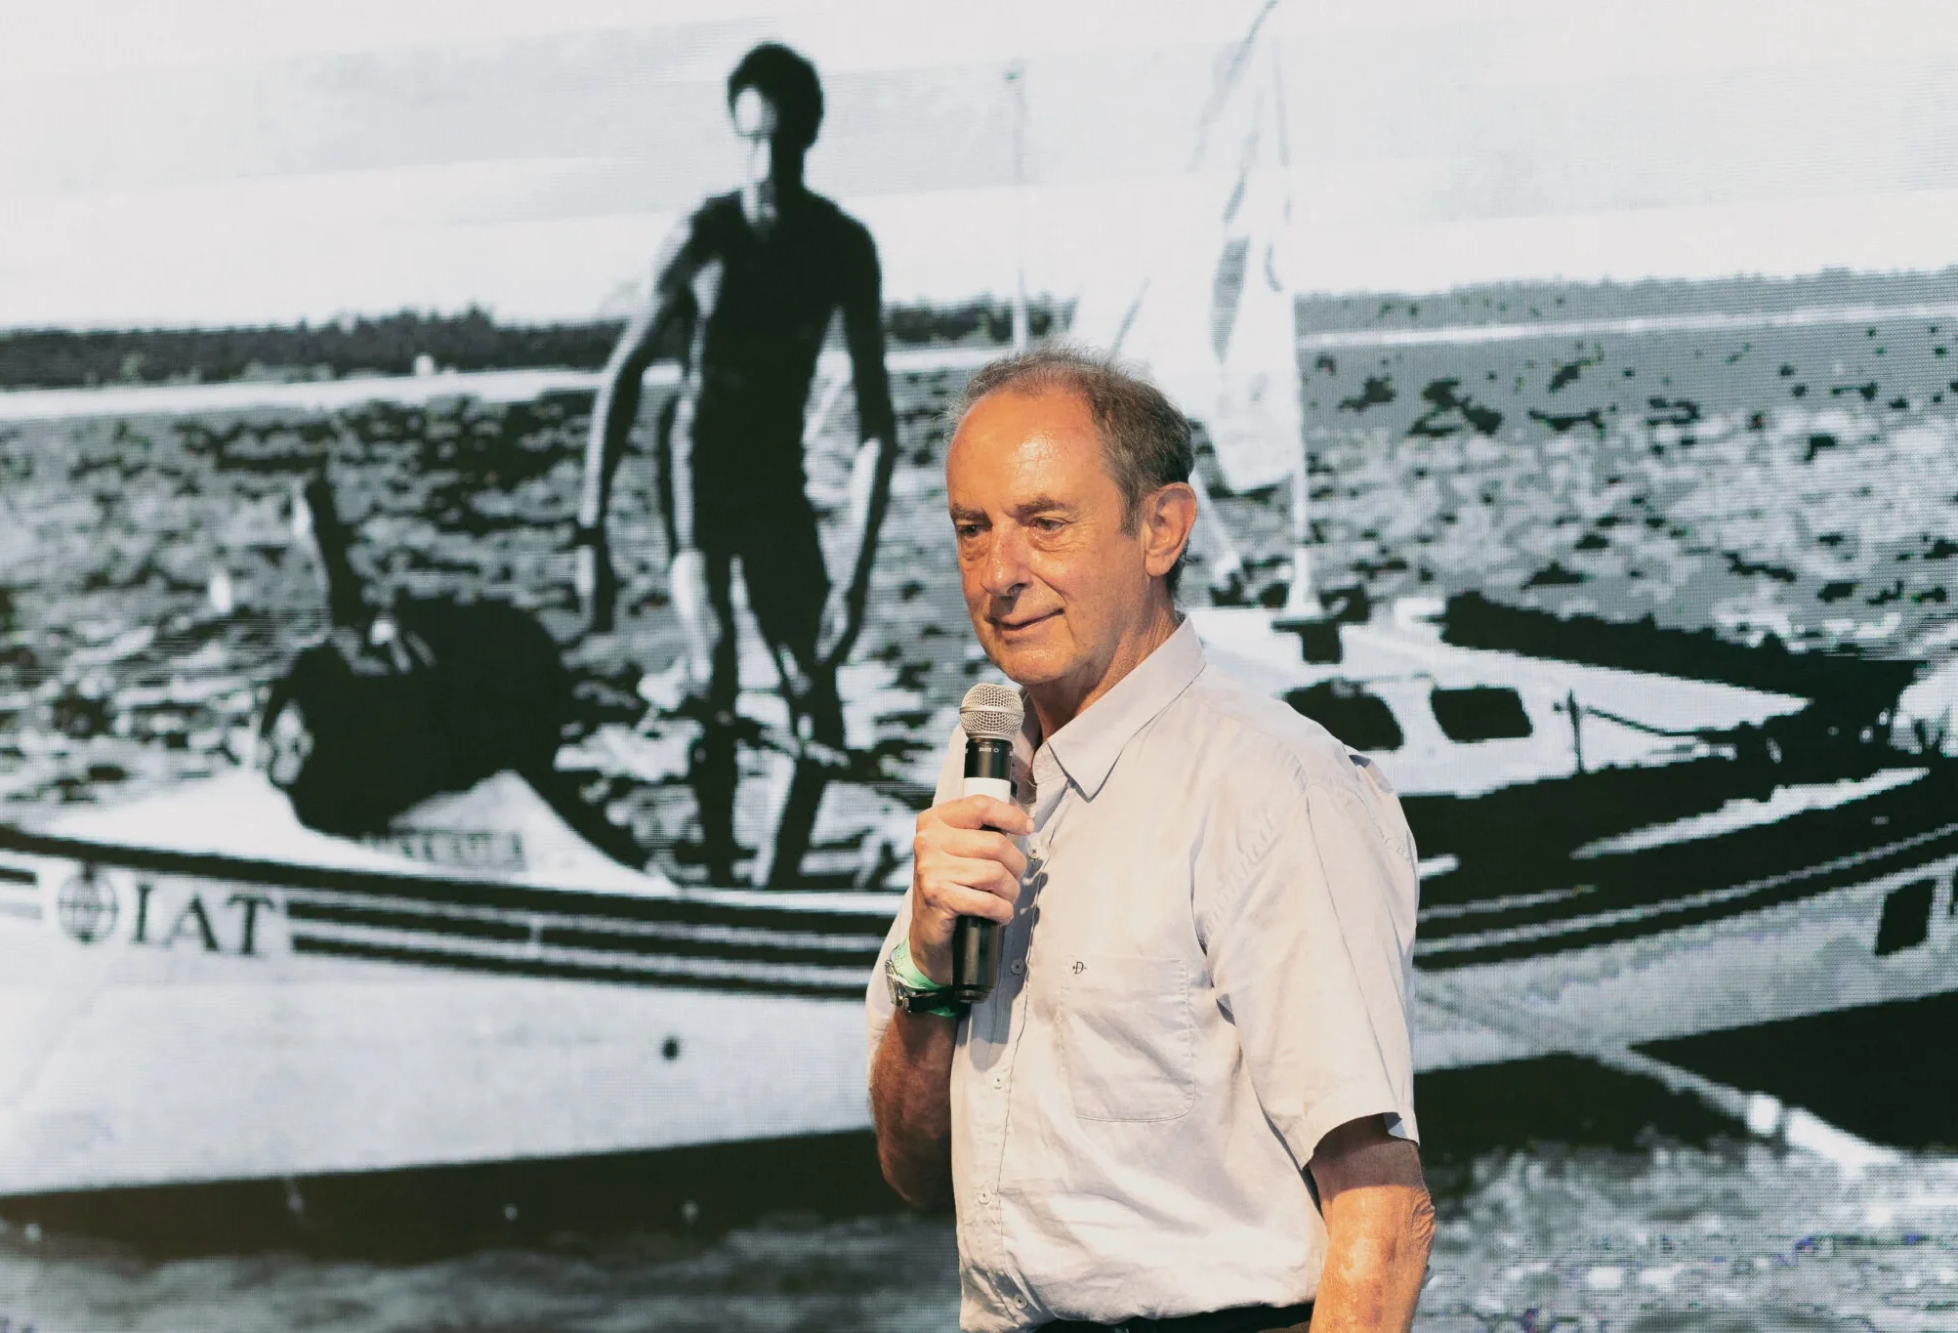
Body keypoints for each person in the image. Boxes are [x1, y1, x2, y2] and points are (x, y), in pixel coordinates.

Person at [866, 347, 1433, 1333]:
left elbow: (1383, 1213)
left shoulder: (1274, 789)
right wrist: (927, 968)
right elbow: (911, 1169)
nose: (999, 575)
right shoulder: (981, 767)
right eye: (972, 529)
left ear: (1161, 528)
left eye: (1045, 524)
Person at [574, 41, 899, 887]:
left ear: (809, 139)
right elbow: (621, 378)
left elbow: (877, 428)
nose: (766, 167)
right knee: (715, 663)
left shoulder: (843, 247)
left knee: (818, 704)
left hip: (773, 480)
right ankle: (716, 872)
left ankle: (770, 888)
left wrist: (853, 580)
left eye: (782, 145)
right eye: (751, 142)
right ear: (735, 137)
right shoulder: (704, 235)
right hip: (696, 470)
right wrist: (590, 534)